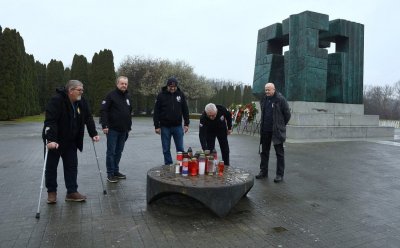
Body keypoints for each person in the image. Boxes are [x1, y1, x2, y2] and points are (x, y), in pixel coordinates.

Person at [42, 80, 100, 204]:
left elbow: (88, 117)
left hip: (71, 141)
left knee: (72, 167)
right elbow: (50, 121)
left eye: (82, 90)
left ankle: (72, 192)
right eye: (79, 90)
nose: (82, 92)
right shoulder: (57, 101)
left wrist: (93, 133)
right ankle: (51, 192)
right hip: (55, 141)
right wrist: (51, 140)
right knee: (51, 167)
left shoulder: (81, 102)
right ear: (70, 91)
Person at [256, 82, 291, 183]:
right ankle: (263, 172)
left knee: (279, 153)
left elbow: (287, 114)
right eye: (266, 89)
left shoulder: (280, 99)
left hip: (277, 131)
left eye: (269, 89)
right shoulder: (263, 99)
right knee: (264, 152)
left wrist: (280, 124)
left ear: (274, 89)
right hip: (265, 130)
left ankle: (279, 175)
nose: (267, 91)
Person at [100, 76, 132, 183]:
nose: (124, 85)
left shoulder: (127, 96)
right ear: (117, 84)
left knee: (119, 151)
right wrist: (104, 125)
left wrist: (129, 126)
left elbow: (129, 112)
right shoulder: (111, 95)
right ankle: (110, 173)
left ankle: (115, 171)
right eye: (122, 83)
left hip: (124, 130)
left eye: (125, 84)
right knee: (111, 152)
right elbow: (104, 111)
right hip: (113, 129)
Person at [153, 77, 190, 165]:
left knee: (180, 148)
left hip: (177, 127)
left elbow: (185, 110)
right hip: (165, 127)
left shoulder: (180, 95)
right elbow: (156, 111)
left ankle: (181, 164)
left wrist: (186, 124)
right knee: (166, 149)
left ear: (176, 86)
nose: (173, 88)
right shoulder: (161, 95)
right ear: (167, 86)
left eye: (174, 86)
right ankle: (168, 165)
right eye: (171, 86)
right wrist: (156, 126)